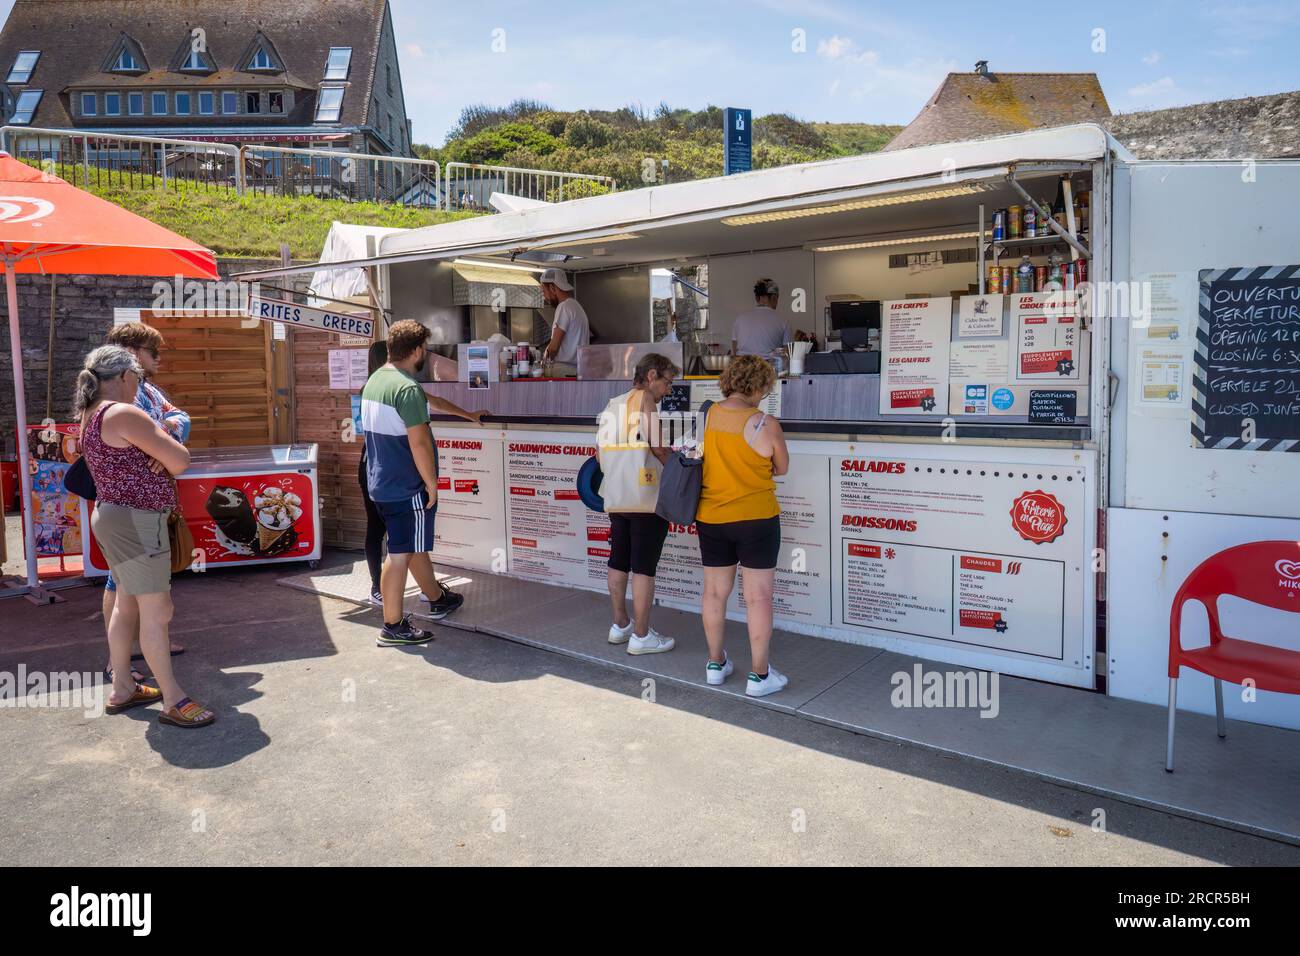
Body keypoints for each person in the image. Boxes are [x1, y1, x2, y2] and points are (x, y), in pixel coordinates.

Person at [75, 346, 214, 727]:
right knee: (158, 612)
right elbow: (180, 460)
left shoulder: (92, 412)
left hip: (113, 517)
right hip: (137, 523)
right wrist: (164, 446)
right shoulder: (124, 413)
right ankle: (173, 699)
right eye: (137, 378)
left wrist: (157, 447)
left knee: (126, 605)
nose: (139, 385)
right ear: (124, 376)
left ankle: (123, 686)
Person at [359, 339, 486, 608]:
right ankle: (392, 617)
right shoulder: (400, 388)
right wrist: (431, 483)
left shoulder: (374, 387)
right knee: (400, 550)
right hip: (399, 477)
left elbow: (433, 401)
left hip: (376, 471)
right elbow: (419, 444)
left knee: (407, 542)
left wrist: (468, 414)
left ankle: (433, 596)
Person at [100, 322, 191, 683]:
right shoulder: (118, 398)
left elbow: (181, 417)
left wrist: (163, 436)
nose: (159, 358)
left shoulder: (147, 390)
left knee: (132, 589)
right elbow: (148, 443)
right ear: (132, 351)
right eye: (154, 351)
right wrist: (162, 444)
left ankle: (139, 652)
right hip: (131, 506)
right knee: (121, 586)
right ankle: (119, 664)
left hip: (144, 506)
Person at [695, 355, 790, 697]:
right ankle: (759, 676)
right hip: (756, 519)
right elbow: (782, 467)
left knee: (714, 592)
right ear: (759, 386)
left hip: (711, 517)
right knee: (758, 597)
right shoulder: (765, 423)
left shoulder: (706, 417)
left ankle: (715, 664)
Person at [598, 353, 679, 655]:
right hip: (645, 498)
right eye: (667, 383)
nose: (668, 390)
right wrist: (681, 469)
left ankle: (620, 625)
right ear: (652, 375)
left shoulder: (613, 404)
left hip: (617, 496)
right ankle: (642, 636)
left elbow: (599, 454)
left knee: (619, 559)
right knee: (644, 567)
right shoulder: (645, 399)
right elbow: (658, 448)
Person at [539, 267, 589, 377]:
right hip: (579, 370)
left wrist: (542, 363)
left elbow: (553, 348)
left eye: (544, 291)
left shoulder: (564, 307)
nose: (544, 297)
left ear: (552, 287)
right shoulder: (576, 306)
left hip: (564, 370)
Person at [731, 278, 792, 358]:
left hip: (742, 364)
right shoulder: (783, 320)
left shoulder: (739, 319)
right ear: (774, 297)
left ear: (756, 298)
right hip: (769, 365)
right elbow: (787, 353)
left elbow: (734, 350)